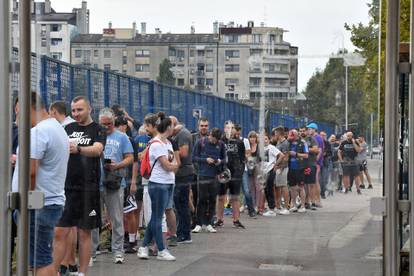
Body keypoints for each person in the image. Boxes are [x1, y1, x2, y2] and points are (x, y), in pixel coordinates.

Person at [12, 92, 69, 276]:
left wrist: (27, 203)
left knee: (40, 261)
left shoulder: (38, 132)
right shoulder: (57, 128)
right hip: (50, 201)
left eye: (18, 112)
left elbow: (31, 172)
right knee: (44, 258)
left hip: (39, 205)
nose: (17, 117)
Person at [53, 96, 106, 276]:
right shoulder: (67, 128)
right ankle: (57, 269)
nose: (76, 114)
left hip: (88, 189)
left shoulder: (98, 129)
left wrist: (79, 149)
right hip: (66, 188)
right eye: (73, 110)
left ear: (89, 109)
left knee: (84, 233)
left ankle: (82, 273)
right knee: (60, 231)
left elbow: (98, 150)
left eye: (79, 110)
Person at [137, 112, 179, 261]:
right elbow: (168, 165)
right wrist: (172, 166)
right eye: (173, 126)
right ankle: (161, 249)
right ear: (168, 127)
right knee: (157, 217)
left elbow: (174, 164)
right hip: (158, 183)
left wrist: (172, 166)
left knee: (156, 217)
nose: (174, 129)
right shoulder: (156, 144)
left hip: (168, 183)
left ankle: (143, 247)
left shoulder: (167, 143)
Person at [99, 108, 134, 264]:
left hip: (115, 182)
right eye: (103, 124)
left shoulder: (122, 137)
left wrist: (117, 165)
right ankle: (93, 250)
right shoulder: (96, 135)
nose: (107, 127)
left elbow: (130, 158)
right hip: (97, 182)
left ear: (113, 122)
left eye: (109, 124)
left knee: (117, 218)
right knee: (94, 217)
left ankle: (118, 251)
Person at [192, 128, 226, 233]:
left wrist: (219, 161)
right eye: (212, 138)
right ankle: (198, 223)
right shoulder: (200, 142)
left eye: (216, 140)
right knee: (201, 199)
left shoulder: (221, 145)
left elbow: (225, 159)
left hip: (215, 176)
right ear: (210, 134)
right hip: (202, 175)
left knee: (212, 199)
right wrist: (205, 160)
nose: (213, 141)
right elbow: (194, 158)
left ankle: (209, 223)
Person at [216, 121, 246, 229]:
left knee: (235, 197)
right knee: (221, 197)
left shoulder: (239, 142)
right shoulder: (220, 141)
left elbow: (243, 159)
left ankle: (236, 220)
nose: (230, 129)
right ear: (224, 129)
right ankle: (219, 219)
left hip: (235, 174)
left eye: (232, 127)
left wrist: (240, 172)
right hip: (223, 172)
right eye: (228, 127)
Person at [170, 117, 194, 243]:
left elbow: (184, 153)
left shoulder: (183, 134)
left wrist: (170, 153)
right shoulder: (179, 134)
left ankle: (185, 234)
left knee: (182, 203)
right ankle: (182, 232)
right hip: (180, 173)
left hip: (183, 173)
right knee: (179, 204)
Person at [191, 117, 210, 228]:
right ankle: (195, 220)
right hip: (194, 171)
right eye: (202, 125)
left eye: (206, 125)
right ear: (198, 126)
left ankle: (207, 220)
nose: (204, 128)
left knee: (206, 197)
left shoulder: (212, 138)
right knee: (194, 196)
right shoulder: (193, 138)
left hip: (208, 172)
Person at [234, 124, 255, 218]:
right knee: (234, 192)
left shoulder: (245, 140)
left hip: (243, 169)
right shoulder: (230, 140)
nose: (237, 132)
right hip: (232, 169)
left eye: (239, 131)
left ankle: (251, 210)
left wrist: (242, 157)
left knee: (246, 190)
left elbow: (248, 153)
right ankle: (235, 211)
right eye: (236, 130)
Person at [262, 134, 284, 217]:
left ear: (269, 140)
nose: (265, 141)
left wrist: (276, 165)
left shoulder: (271, 147)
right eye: (263, 139)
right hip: (263, 171)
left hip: (270, 170)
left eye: (266, 139)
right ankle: (272, 207)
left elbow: (281, 155)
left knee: (269, 189)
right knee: (266, 189)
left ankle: (271, 209)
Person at [287, 129, 309, 213]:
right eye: (290, 135)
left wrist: (296, 154)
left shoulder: (303, 142)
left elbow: (306, 155)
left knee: (301, 187)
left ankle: (303, 206)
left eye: (293, 135)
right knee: (292, 187)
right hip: (291, 168)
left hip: (300, 168)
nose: (291, 137)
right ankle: (294, 205)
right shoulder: (289, 142)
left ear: (297, 135)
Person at [299, 126, 319, 210]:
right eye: (301, 131)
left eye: (304, 131)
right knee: (303, 184)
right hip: (301, 164)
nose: (302, 132)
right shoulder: (298, 140)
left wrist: (305, 148)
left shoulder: (311, 139)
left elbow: (315, 150)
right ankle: (305, 202)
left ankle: (313, 202)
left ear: (307, 131)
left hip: (311, 163)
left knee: (311, 184)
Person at [272, 126, 290, 215]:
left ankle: (286, 207)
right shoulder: (278, 142)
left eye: (275, 133)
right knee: (277, 187)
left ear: (279, 133)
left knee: (284, 186)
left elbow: (286, 157)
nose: (274, 135)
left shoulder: (285, 143)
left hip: (282, 168)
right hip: (278, 168)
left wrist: (281, 168)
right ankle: (278, 206)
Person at [247, 131, 263, 214]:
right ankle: (252, 205)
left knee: (258, 186)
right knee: (251, 187)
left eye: (254, 137)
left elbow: (261, 157)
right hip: (249, 167)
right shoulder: (247, 146)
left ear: (256, 138)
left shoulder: (259, 146)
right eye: (251, 137)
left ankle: (258, 206)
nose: (252, 139)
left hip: (257, 166)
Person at [320, 131, 333, 198]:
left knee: (324, 178)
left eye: (324, 135)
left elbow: (330, 153)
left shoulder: (327, 143)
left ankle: (323, 192)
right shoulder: (317, 142)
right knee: (319, 179)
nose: (322, 137)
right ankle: (320, 192)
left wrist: (326, 154)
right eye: (321, 135)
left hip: (325, 162)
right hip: (318, 162)